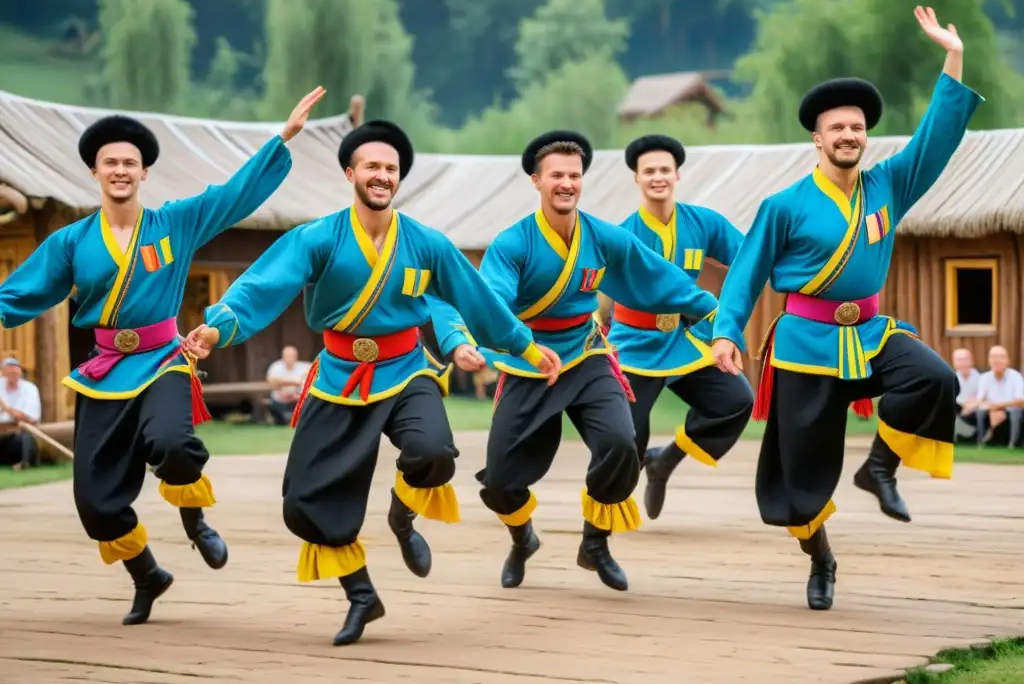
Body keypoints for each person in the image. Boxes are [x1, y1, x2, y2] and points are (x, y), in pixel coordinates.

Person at [181, 120, 560, 646]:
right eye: (372, 167)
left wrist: (522, 345)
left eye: (391, 169)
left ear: (399, 178)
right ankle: (361, 592)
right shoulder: (317, 237)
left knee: (433, 452)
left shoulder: (426, 244)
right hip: (338, 377)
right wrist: (218, 326)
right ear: (350, 173)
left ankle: (403, 517)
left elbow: (475, 297)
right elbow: (260, 287)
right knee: (304, 501)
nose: (382, 176)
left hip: (407, 369)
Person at [0, 85, 326, 625]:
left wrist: (281, 139)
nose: (121, 170)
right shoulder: (70, 243)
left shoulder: (174, 222)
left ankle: (196, 522)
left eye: (131, 162)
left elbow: (233, 195)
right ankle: (147, 574)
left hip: (162, 360)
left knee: (172, 441)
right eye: (111, 162)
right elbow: (18, 295)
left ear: (145, 172)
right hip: (104, 372)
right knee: (95, 503)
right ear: (95, 172)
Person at [709, 6, 981, 611]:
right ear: (817, 138)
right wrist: (727, 331)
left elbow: (938, 134)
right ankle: (821, 559)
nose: (849, 136)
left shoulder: (889, 184)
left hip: (872, 334)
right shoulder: (784, 205)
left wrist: (952, 55)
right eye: (837, 128)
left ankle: (879, 468)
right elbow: (748, 272)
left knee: (934, 377)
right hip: (806, 346)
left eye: (857, 127)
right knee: (802, 483)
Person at [440, 129, 720, 593]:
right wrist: (467, 338)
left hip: (588, 354)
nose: (566, 183)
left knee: (621, 442)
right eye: (557, 176)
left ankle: (595, 541)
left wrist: (712, 312)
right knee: (502, 482)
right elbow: (488, 301)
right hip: (529, 362)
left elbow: (656, 277)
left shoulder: (604, 237)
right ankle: (521, 538)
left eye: (574, 175)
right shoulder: (514, 245)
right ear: (536, 181)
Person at [607, 134, 753, 519]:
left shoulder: (703, 223)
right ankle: (602, 529)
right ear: (636, 178)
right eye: (649, 171)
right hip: (634, 347)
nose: (658, 177)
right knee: (626, 441)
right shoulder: (622, 235)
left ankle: (666, 460)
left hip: (684, 341)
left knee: (735, 400)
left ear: (678, 175)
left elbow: (750, 259)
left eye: (665, 170)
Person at [0, 357, 42, 470]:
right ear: (3, 373)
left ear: (20, 373)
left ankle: (25, 463)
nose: (12, 374)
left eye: (15, 371)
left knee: (26, 437)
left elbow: (28, 418)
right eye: (9, 371)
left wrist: (6, 408)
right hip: (2, 432)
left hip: (18, 432)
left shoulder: (30, 389)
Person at [266, 345, 311, 424]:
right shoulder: (276, 366)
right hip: (280, 399)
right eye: (287, 356)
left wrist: (296, 395)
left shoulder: (305, 366)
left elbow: (311, 379)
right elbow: (271, 380)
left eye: (292, 356)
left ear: (296, 356)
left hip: (298, 399)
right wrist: (295, 382)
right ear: (283, 356)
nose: (290, 358)